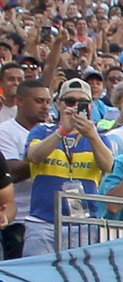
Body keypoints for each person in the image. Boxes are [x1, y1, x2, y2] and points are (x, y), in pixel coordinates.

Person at [22, 78, 113, 256]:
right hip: (43, 223)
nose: (75, 107)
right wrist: (62, 131)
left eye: (82, 103)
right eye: (70, 101)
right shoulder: (42, 131)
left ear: (91, 107)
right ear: (58, 104)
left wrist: (91, 134)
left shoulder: (100, 138)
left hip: (84, 225)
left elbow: (108, 165)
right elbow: (33, 156)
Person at [0, 78, 51, 259]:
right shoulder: (4, 131)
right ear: (20, 101)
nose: (45, 106)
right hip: (18, 220)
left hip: (50, 219)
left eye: (47, 101)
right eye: (39, 101)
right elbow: (12, 172)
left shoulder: (51, 132)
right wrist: (45, 153)